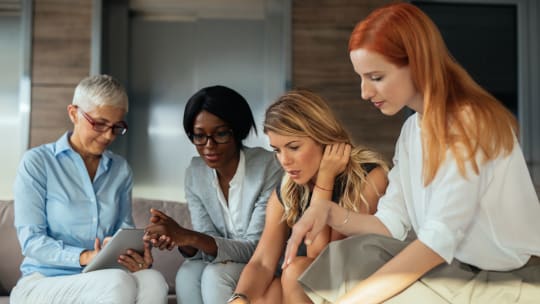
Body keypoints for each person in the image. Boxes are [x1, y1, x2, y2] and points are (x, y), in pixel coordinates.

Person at [283, 3, 540, 304]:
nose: (365, 92)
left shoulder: (470, 123)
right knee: (349, 254)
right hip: (458, 267)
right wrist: (327, 212)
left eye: (376, 77)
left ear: (418, 64)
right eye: (361, 78)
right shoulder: (411, 131)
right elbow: (391, 223)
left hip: (510, 279)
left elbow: (435, 242)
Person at [10, 74, 169, 304]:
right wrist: (86, 257)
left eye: (116, 127)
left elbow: (122, 229)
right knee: (116, 281)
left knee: (153, 280)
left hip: (101, 276)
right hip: (42, 281)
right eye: (100, 123)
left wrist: (128, 252)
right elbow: (32, 241)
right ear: (74, 113)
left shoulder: (120, 170)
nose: (108, 135)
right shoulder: (37, 163)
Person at [228, 90, 389, 304]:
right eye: (276, 150)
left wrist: (325, 180)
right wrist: (238, 298)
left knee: (297, 273)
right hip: (310, 289)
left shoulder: (369, 177)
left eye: (293, 147)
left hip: (359, 287)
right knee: (264, 293)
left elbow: (324, 260)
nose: (284, 160)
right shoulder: (288, 189)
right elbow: (262, 262)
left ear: (323, 138)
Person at [143, 85, 283, 304]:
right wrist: (179, 238)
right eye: (199, 136)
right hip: (229, 262)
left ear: (237, 131)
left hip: (268, 263)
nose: (209, 146)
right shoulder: (195, 173)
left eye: (220, 134)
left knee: (215, 274)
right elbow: (206, 243)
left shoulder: (269, 168)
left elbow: (257, 248)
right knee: (188, 272)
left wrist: (189, 236)